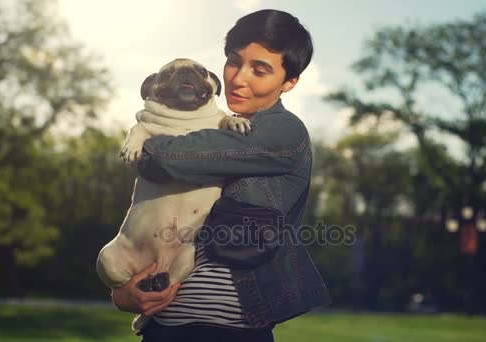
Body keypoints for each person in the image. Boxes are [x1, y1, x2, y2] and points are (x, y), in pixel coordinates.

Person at [111, 9, 331, 342]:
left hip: (231, 332)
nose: (238, 79)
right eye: (233, 61)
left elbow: (160, 157)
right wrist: (123, 294)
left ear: (289, 81)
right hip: (162, 329)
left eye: (260, 69)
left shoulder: (284, 134)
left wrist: (148, 131)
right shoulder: (211, 126)